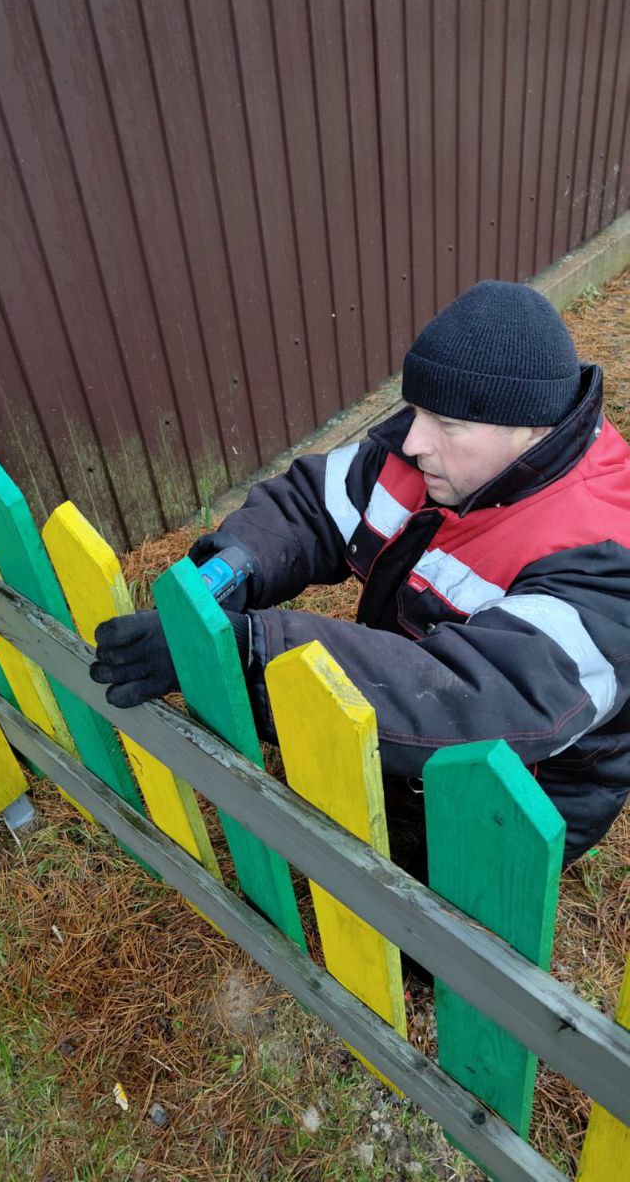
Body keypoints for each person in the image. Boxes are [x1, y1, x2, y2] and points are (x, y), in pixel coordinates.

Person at [90, 279, 630, 873]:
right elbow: (309, 507)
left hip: (532, 787)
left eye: (447, 423)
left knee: (451, 924)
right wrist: (226, 576)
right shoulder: (424, 458)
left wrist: (251, 651)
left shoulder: (606, 548)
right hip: (411, 729)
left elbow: (479, 693)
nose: (415, 439)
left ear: (533, 428)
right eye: (418, 409)